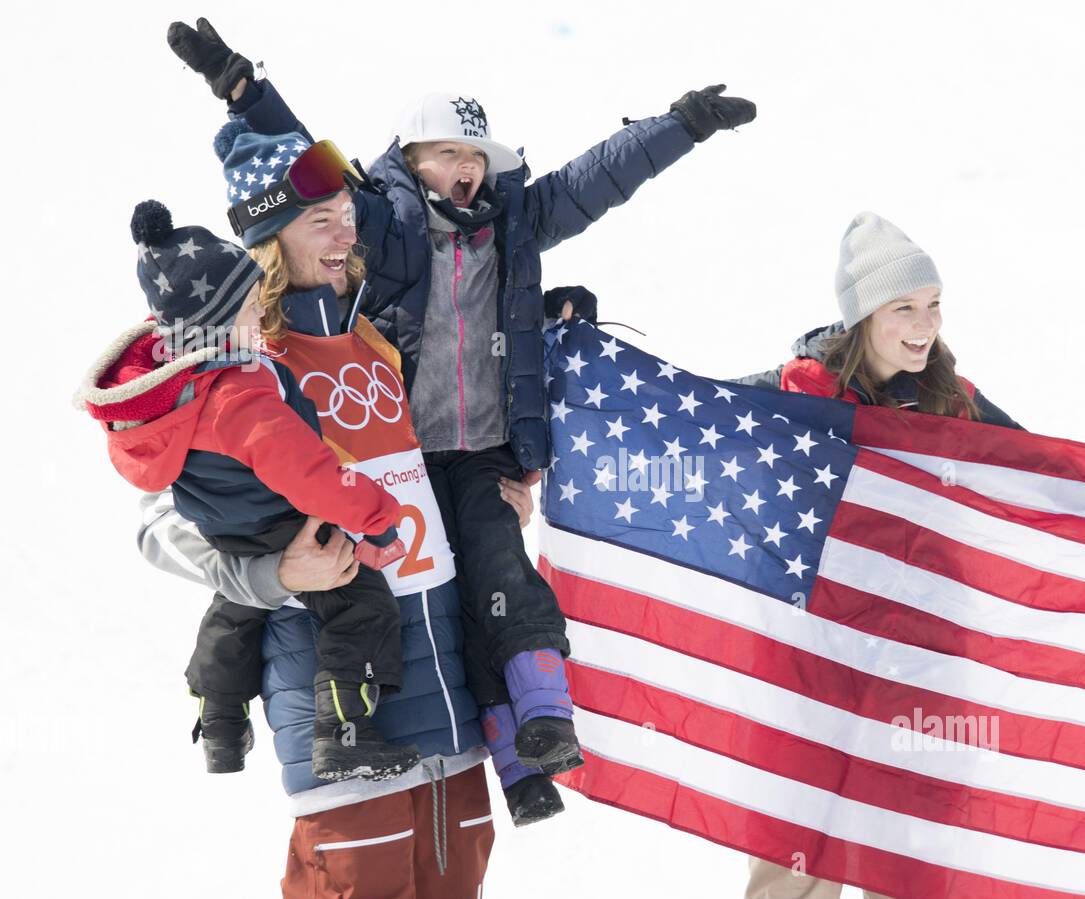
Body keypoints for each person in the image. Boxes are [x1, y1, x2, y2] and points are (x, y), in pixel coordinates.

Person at [165, 15, 759, 824]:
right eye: (449, 153)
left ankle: (532, 747)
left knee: (497, 592)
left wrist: (679, 125)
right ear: (409, 163)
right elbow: (304, 162)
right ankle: (236, 712)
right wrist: (241, 89)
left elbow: (595, 180)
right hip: (391, 470)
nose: (467, 168)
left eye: (477, 156)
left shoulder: (512, 226)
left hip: (475, 457)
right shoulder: (377, 222)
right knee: (393, 605)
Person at [732, 211, 1085, 899]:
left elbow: (1055, 482)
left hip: (919, 678)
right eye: (904, 308)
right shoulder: (786, 399)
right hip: (806, 676)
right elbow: (661, 422)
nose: (926, 326)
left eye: (934, 304)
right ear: (862, 315)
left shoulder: (957, 405)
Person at [135, 134, 505, 899]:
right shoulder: (234, 362)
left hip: (446, 694)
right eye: (321, 222)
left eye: (348, 216)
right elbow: (155, 524)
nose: (347, 235)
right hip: (338, 698)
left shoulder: (376, 342)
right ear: (266, 245)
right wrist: (273, 572)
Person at [78, 201, 421, 782]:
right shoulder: (239, 398)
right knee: (361, 602)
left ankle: (220, 721)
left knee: (236, 604)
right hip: (281, 518)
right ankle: (343, 733)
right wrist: (378, 517)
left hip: (224, 527)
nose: (261, 310)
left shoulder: (174, 390)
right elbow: (310, 475)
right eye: (247, 305)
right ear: (213, 323)